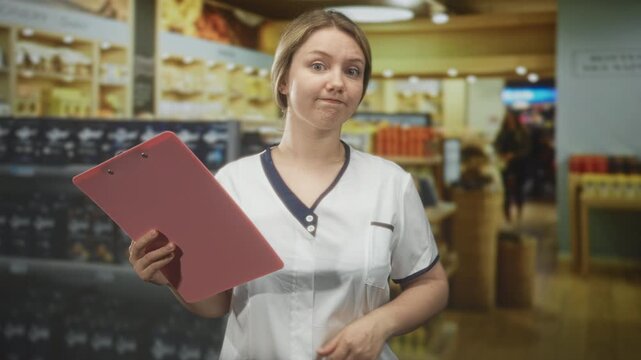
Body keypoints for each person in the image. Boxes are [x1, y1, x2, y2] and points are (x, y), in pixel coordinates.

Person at [129, 9, 448, 360]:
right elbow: (217, 304)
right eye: (318, 66)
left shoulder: (390, 184)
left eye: (352, 71)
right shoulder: (235, 183)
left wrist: (381, 323)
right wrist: (172, 277)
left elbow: (430, 284)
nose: (337, 82)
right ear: (283, 79)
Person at [494, 110, 531, 223]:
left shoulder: (521, 132)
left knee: (518, 190)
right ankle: (507, 214)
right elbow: (497, 145)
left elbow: (526, 149)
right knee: (506, 191)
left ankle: (519, 210)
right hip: (506, 165)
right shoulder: (503, 132)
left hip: (519, 164)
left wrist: (514, 155)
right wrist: (502, 155)